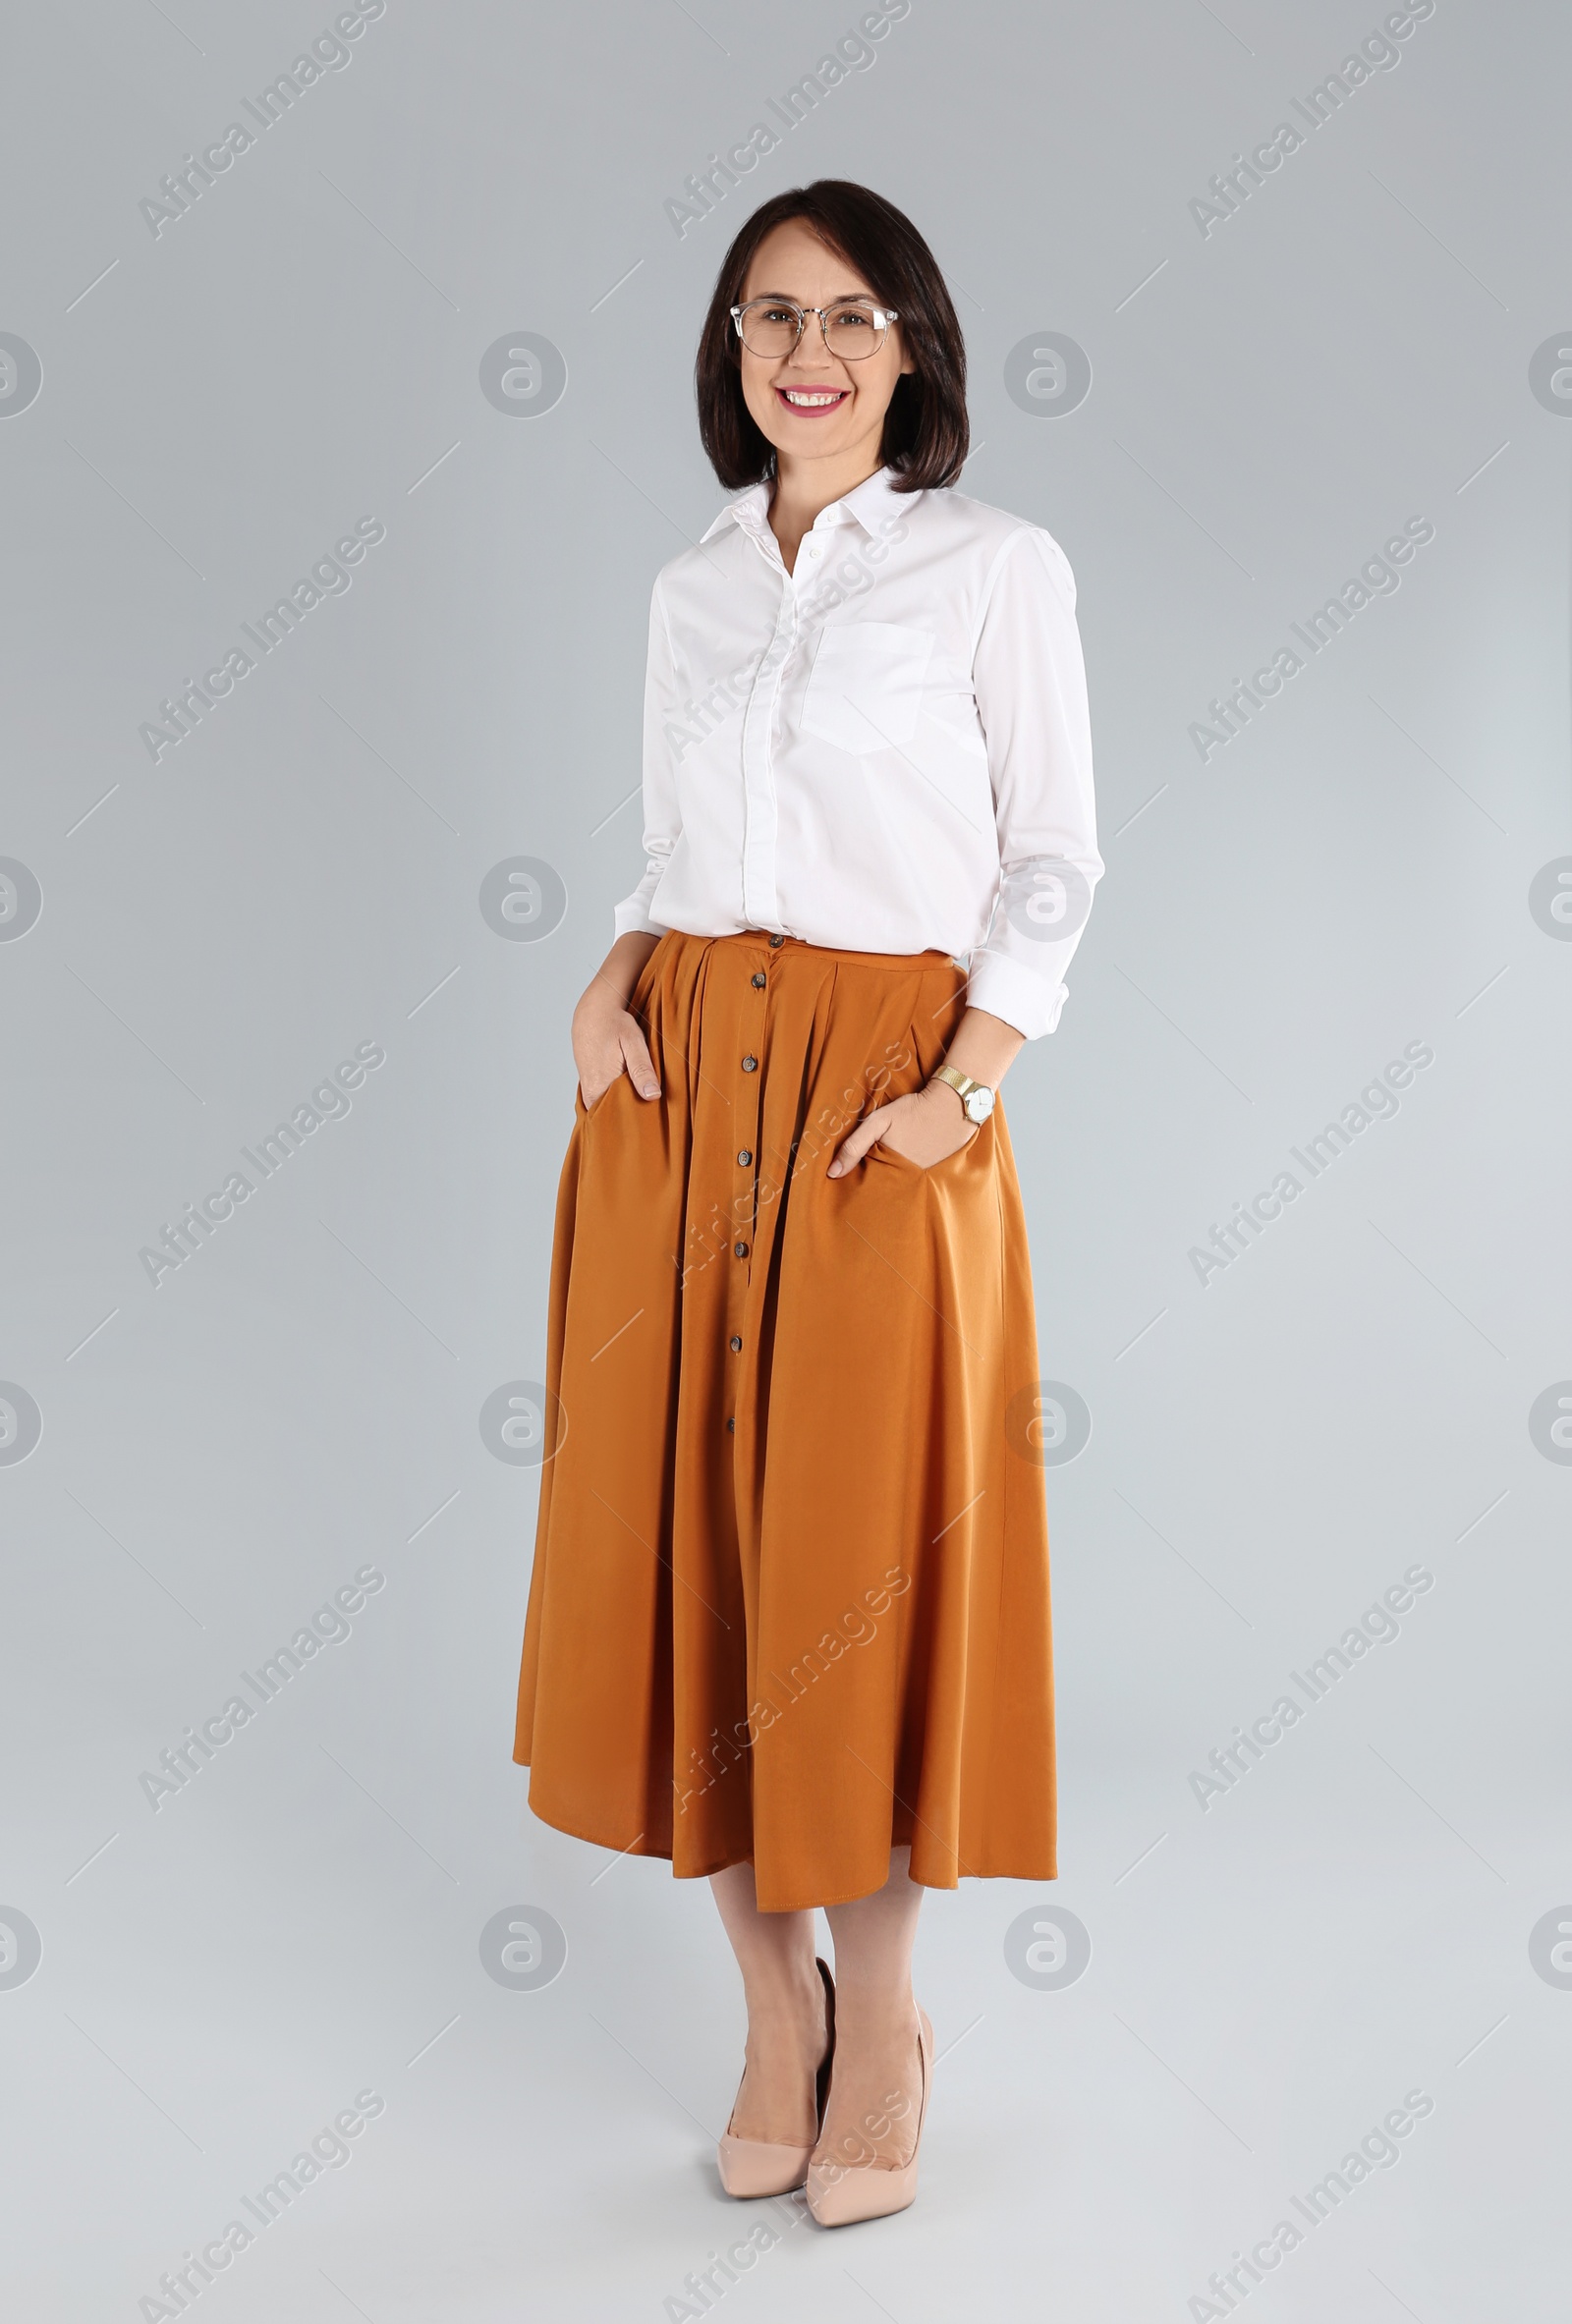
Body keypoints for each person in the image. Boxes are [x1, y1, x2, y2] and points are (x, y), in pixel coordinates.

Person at [513, 177, 1101, 2227]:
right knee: (692, 1553)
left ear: (913, 348)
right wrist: (605, 970)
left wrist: (968, 1083)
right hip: (678, 1086)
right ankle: (772, 2017)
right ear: (728, 349)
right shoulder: (687, 583)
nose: (807, 352)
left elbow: (1053, 853)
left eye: (852, 316)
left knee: (856, 1557)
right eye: (769, 313)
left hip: (879, 1103)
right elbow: (685, 836)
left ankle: (891, 2013)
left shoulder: (988, 571)